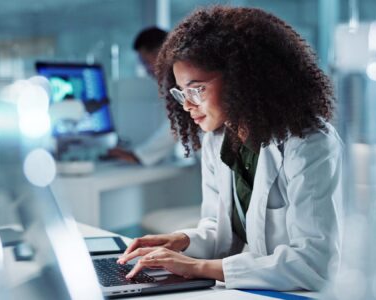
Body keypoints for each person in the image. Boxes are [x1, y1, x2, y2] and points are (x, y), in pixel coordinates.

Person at [117, 6, 343, 292]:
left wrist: (197, 267)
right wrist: (182, 241)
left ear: (241, 79)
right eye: (181, 92)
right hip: (252, 290)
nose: (187, 105)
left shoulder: (308, 142)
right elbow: (221, 232)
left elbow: (314, 263)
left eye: (196, 89)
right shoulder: (218, 138)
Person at [107, 26, 179, 166]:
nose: (147, 70)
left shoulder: (180, 79)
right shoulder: (175, 80)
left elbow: (175, 126)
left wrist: (139, 156)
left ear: (162, 53)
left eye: (146, 62)